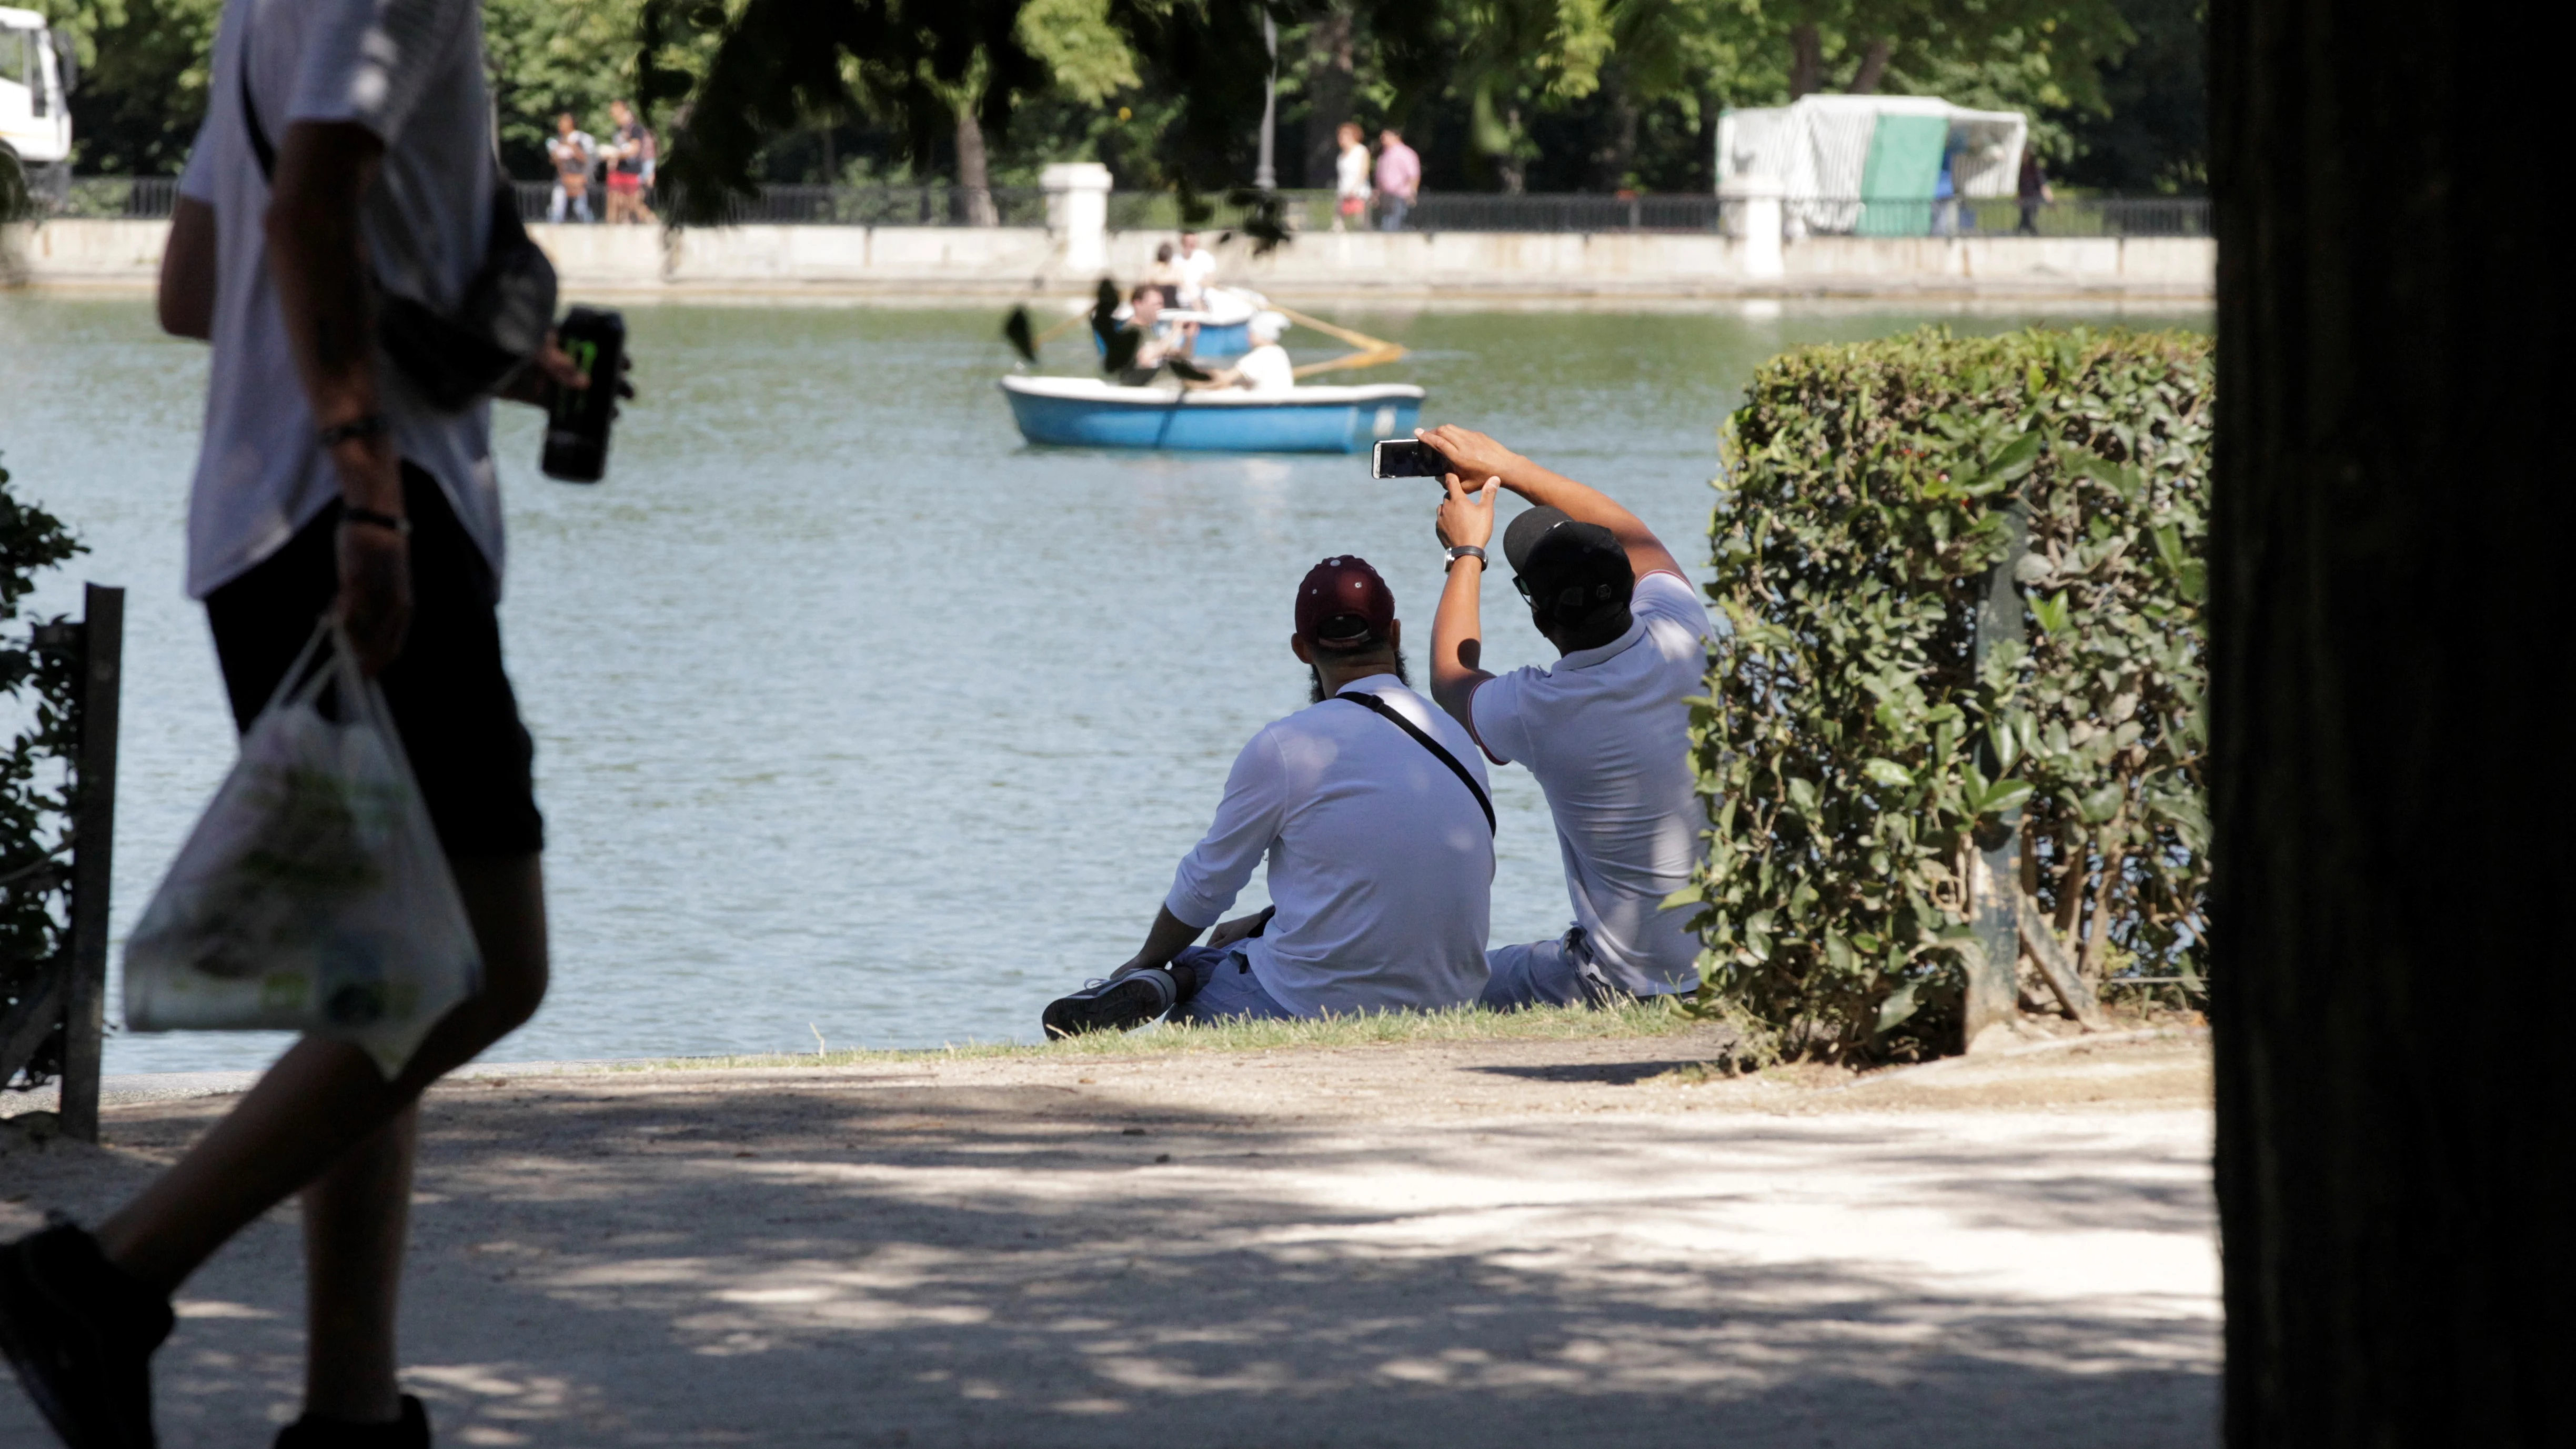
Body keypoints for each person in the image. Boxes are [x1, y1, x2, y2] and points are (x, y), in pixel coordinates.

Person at [0, 0, 610, 1443]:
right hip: (359, 524)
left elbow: (199, 284)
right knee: (486, 963)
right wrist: (371, 473)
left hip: (252, 532)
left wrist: (479, 361)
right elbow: (312, 203)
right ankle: (105, 1278)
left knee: (377, 979)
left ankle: (345, 1412)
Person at [1042, 556, 1494, 1035]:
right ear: (1396, 634)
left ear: (1302, 649)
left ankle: (1164, 980)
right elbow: (1401, 871)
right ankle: (1190, 971)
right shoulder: (1455, 737)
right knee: (1227, 951)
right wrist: (1262, 920)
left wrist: (1142, 958)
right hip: (1452, 996)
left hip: (1323, 1002)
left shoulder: (1288, 746)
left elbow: (1205, 886)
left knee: (1193, 1005)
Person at [1417, 425, 1713, 1010]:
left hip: (1623, 985)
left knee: (1453, 979)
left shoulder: (1539, 710)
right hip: (1735, 962)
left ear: (1539, 618)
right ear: (1631, 587)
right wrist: (1511, 465)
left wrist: (1466, 553)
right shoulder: (1685, 632)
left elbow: (1451, 678)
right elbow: (1636, 533)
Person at [1188, 310, 1292, 394]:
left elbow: (1225, 379)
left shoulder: (1261, 354)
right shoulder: (1278, 351)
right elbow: (1242, 380)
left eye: (1252, 332)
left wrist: (1197, 383)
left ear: (1262, 334)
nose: (1248, 335)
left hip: (1268, 403)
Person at [1114, 283, 1193, 385]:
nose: (1161, 308)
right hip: (1143, 387)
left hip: (1165, 383)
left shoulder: (1151, 331)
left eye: (1162, 304)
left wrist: (1189, 337)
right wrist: (1175, 332)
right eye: (1156, 304)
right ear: (1138, 304)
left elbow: (1181, 355)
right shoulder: (1130, 332)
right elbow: (1145, 358)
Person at [602, 98, 652, 225]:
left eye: (615, 108)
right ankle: (611, 225)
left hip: (632, 170)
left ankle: (653, 223)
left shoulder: (635, 129)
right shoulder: (618, 130)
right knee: (613, 200)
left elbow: (634, 150)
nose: (612, 112)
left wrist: (615, 154)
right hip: (618, 170)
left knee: (632, 203)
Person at [546, 109, 596, 223]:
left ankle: (590, 227)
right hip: (563, 178)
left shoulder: (582, 138)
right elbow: (554, 161)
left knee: (581, 208)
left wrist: (572, 146)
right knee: (557, 207)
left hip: (578, 178)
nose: (560, 125)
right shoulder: (557, 140)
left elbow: (587, 159)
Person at [1374, 126, 1420, 232]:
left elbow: (1413, 175)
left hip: (1400, 195)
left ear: (1396, 137)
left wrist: (1412, 192)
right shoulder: (1385, 155)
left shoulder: (1405, 153)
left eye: (1386, 136)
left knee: (1395, 224)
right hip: (1386, 195)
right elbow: (1380, 178)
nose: (1383, 138)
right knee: (1386, 223)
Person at [1332, 121, 1371, 233]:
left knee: (1359, 224)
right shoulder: (1341, 155)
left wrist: (1354, 189)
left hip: (1359, 193)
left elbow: (1364, 172)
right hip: (1343, 192)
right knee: (1339, 225)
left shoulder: (1361, 151)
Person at [1175, 230, 1216, 308]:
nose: (1192, 245)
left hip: (1201, 302)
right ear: (1183, 243)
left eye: (1193, 242)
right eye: (1188, 243)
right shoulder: (1176, 260)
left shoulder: (1205, 257)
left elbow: (1211, 280)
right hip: (1182, 303)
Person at [2017, 148, 2052, 235]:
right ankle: (2026, 231)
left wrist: (2050, 200)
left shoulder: (2035, 169)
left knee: (2030, 218)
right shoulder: (2023, 169)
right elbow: (2022, 186)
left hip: (2034, 199)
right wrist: (2019, 197)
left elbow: (2043, 185)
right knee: (2025, 220)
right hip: (2026, 199)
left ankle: (2032, 232)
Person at [1144, 240, 1183, 307]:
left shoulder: (1175, 269)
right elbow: (1145, 284)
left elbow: (1180, 282)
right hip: (1155, 303)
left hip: (1171, 303)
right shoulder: (1152, 268)